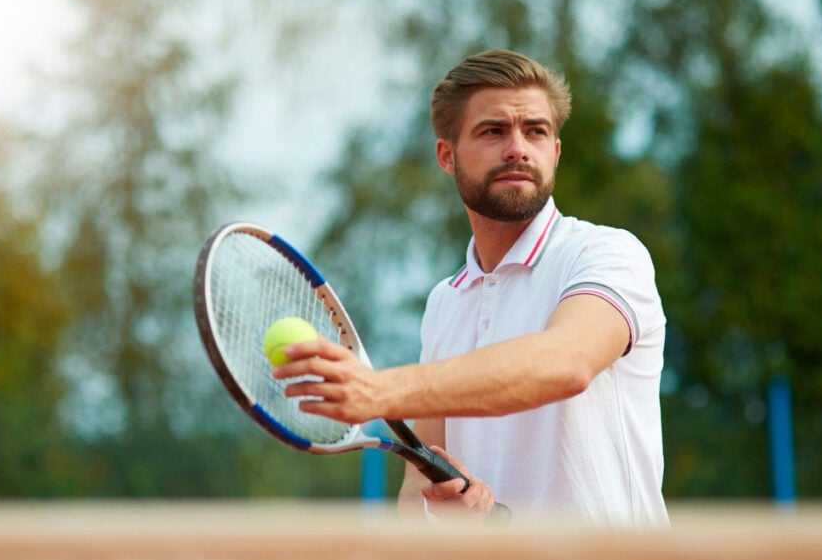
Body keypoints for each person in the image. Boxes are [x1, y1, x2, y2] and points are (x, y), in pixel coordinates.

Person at [273, 49, 669, 527]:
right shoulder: (445, 302)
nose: (518, 148)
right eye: (493, 130)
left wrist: (378, 390)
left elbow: (567, 362)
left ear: (556, 152)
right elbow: (418, 491)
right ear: (447, 155)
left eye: (536, 131)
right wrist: (456, 514)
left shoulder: (607, 254)